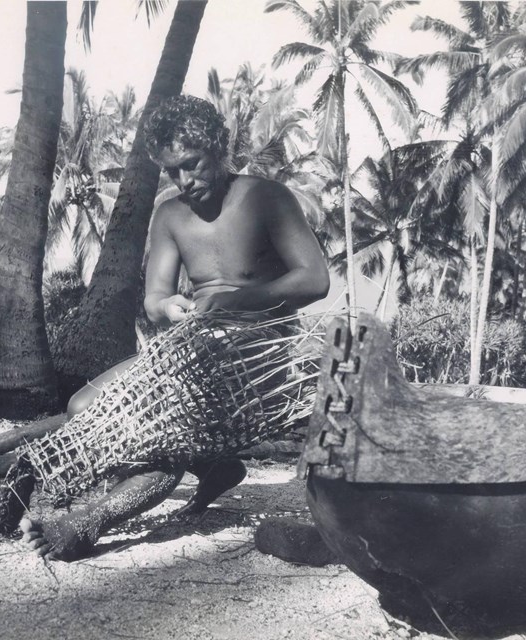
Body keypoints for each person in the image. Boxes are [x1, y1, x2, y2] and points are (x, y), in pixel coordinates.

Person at [18, 95, 330, 561]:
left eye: (193, 165)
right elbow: (154, 298)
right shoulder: (170, 214)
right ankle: (216, 466)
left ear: (219, 149)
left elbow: (315, 279)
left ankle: (88, 523)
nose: (185, 181)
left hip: (254, 360)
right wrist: (171, 308)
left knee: (165, 438)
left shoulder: (266, 198)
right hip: (189, 347)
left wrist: (234, 300)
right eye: (172, 171)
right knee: (81, 404)